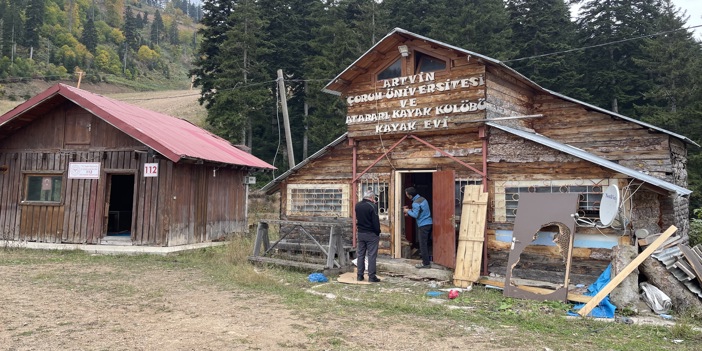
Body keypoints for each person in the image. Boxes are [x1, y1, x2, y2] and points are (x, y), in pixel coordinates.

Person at [355, 189, 382, 282]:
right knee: (371, 255)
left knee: (360, 254)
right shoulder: (372, 206)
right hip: (371, 233)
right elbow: (375, 221)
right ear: (372, 197)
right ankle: (371, 276)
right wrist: (378, 232)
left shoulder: (357, 205)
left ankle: (359, 275)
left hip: (360, 232)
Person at [403, 187, 433, 269]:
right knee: (426, 243)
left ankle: (426, 263)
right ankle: (425, 258)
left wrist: (407, 211)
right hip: (429, 223)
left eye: (407, 194)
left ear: (410, 195)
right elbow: (420, 211)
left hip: (423, 225)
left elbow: (416, 215)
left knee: (422, 244)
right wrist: (410, 211)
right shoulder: (422, 199)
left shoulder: (415, 203)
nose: (406, 196)